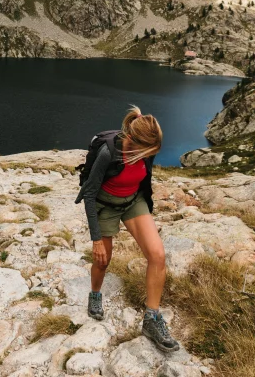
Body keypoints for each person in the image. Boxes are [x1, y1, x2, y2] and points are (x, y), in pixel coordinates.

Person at [75, 107, 179, 353]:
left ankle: (151, 320)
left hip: (133, 201)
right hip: (105, 204)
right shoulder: (108, 152)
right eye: (147, 151)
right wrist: (96, 239)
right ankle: (96, 295)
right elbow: (89, 194)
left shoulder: (145, 151)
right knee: (103, 260)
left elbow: (144, 179)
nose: (150, 156)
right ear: (133, 140)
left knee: (157, 255)